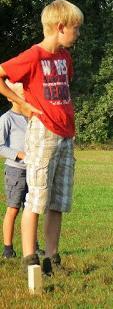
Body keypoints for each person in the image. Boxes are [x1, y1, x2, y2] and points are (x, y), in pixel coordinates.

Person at [0, 0, 83, 273]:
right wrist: (21, 103)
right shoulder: (33, 56)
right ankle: (29, 260)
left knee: (57, 201)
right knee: (36, 198)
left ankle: (52, 258)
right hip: (42, 133)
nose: (78, 33)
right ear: (60, 27)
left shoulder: (64, 58)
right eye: (75, 28)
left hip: (65, 135)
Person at [1, 81, 44, 259]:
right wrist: (18, 154)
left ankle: (33, 246)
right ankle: (8, 249)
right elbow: (0, 147)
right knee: (13, 209)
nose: (24, 97)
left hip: (33, 171)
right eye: (20, 95)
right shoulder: (6, 119)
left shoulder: (31, 117)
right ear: (11, 98)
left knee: (32, 208)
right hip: (15, 172)